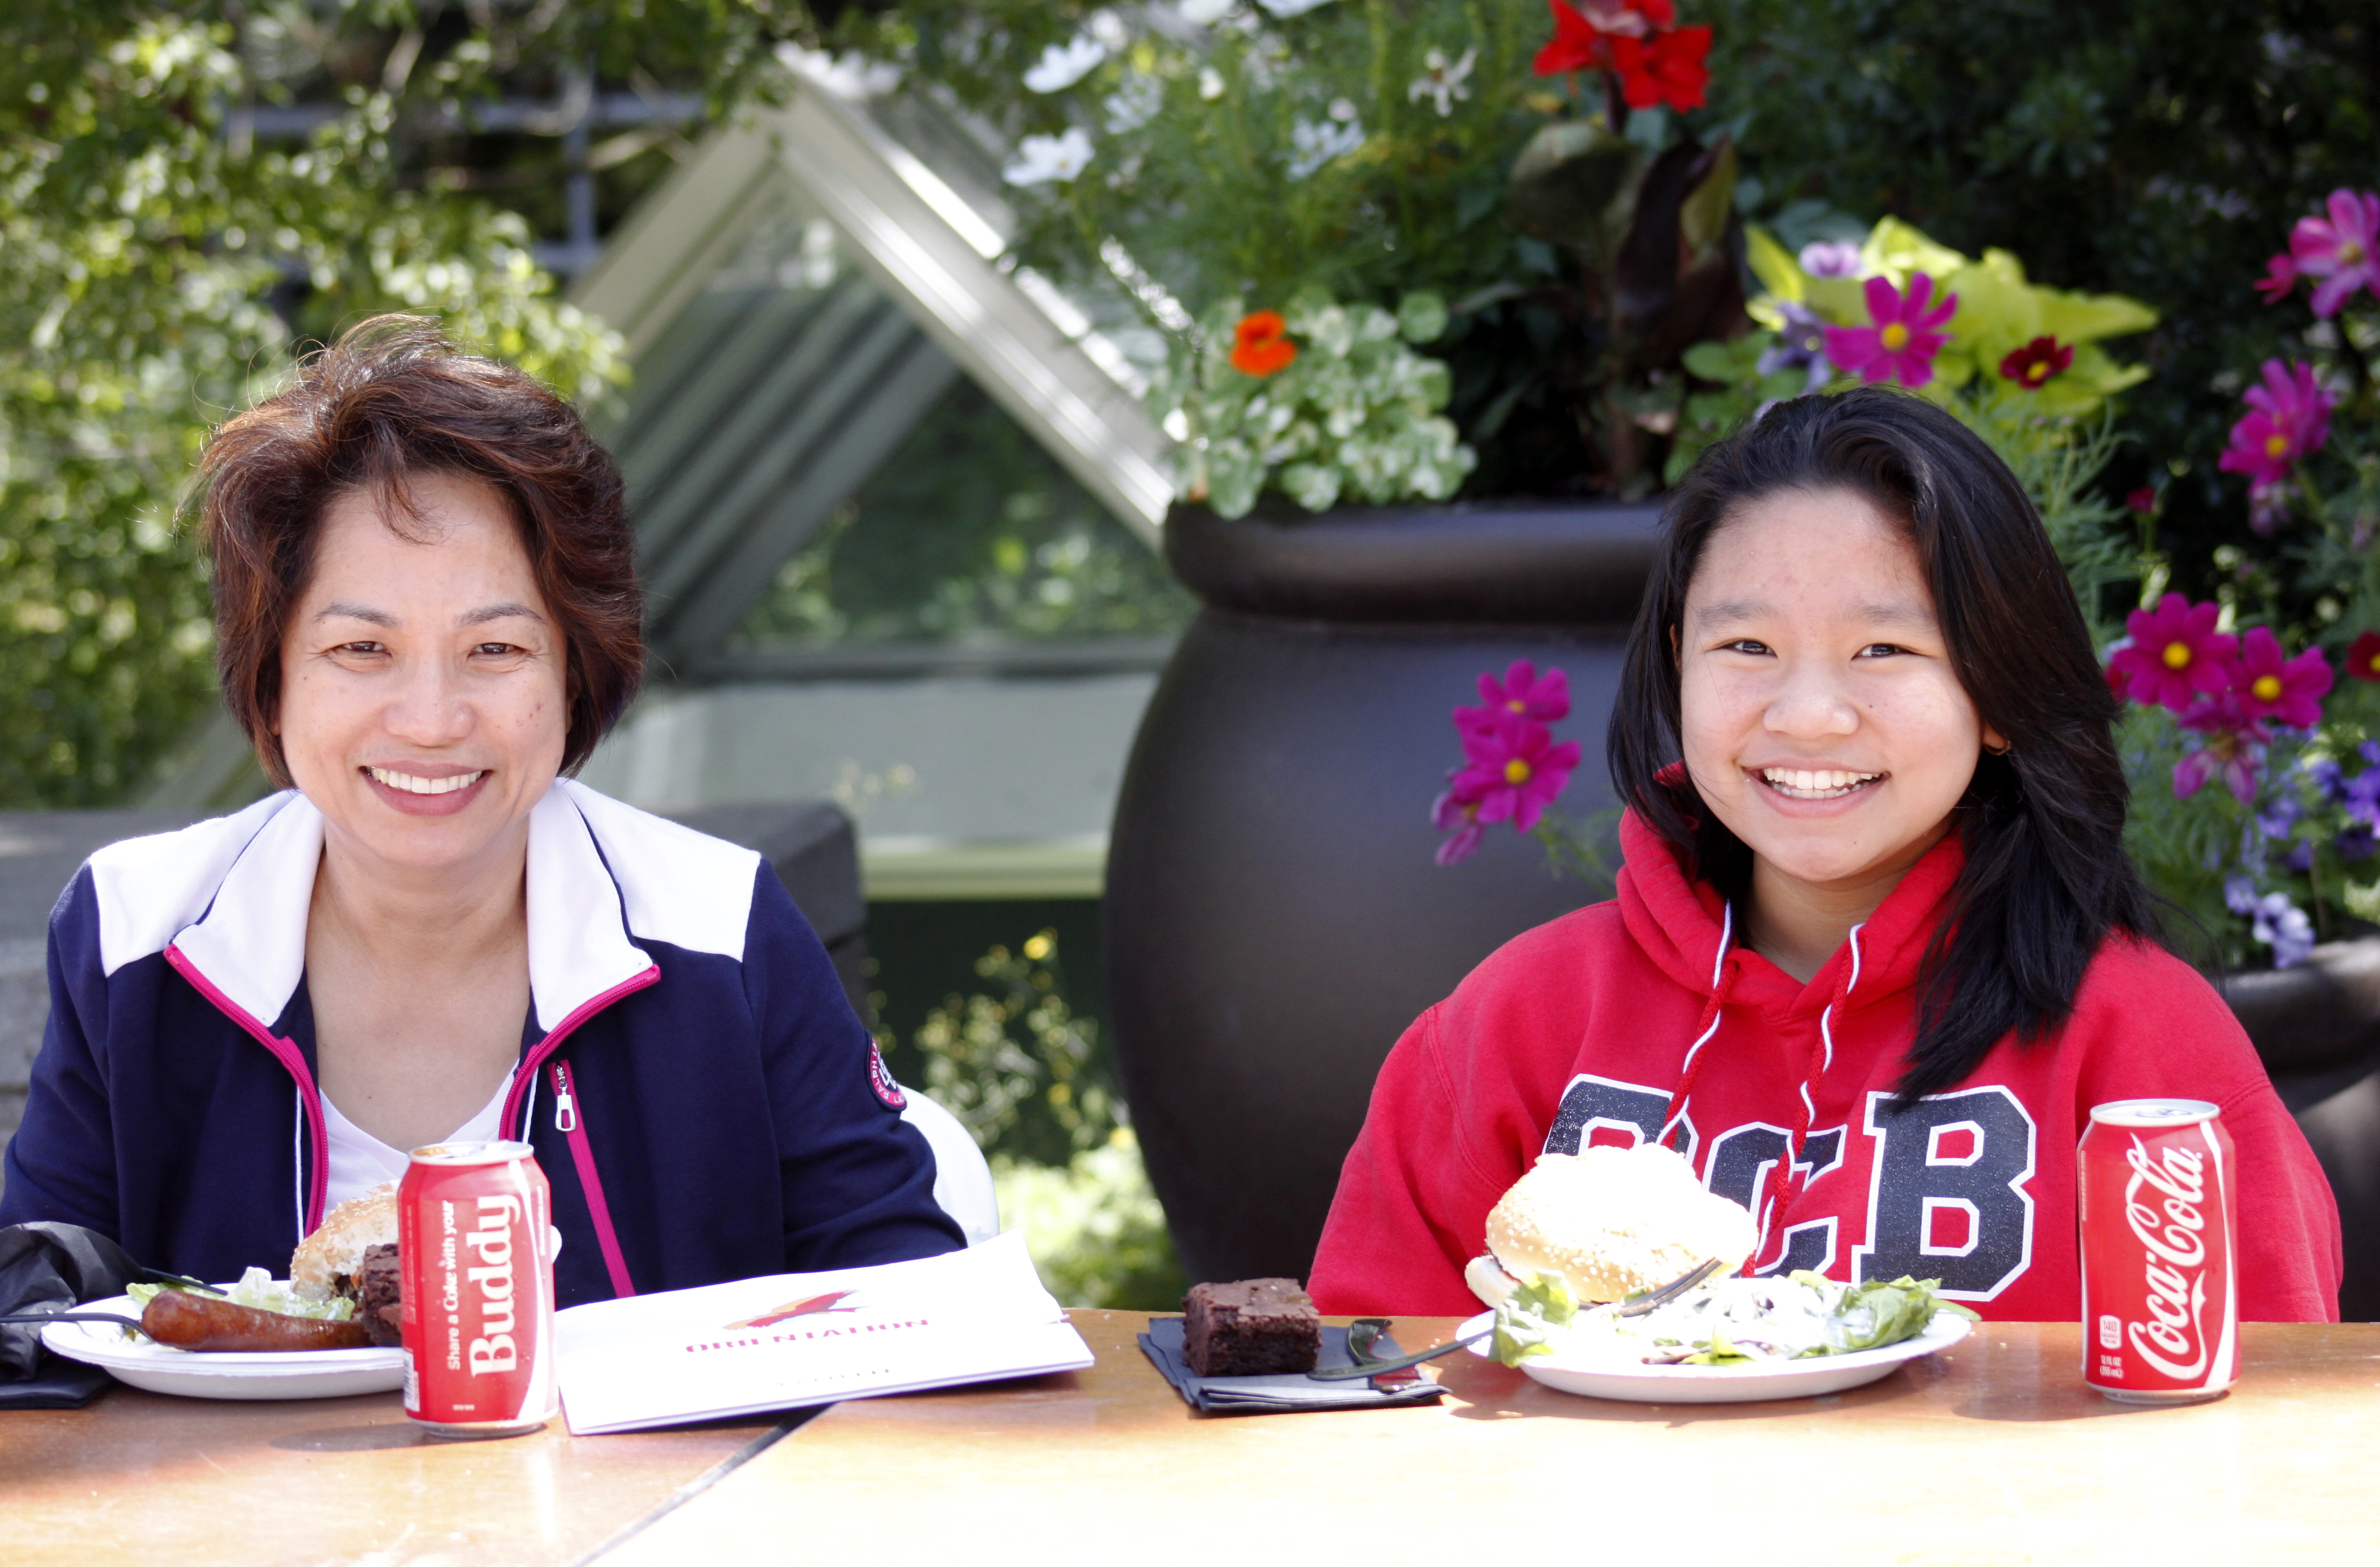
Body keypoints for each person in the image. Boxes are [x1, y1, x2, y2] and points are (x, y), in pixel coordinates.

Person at [1311, 387, 2342, 1322]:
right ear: (1677, 661)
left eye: (1885, 650)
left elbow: (2265, 1436)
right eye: (1746, 647)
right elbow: (1375, 1399)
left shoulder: (2145, 1048)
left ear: (1997, 692)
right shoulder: (1516, 1024)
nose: (1806, 716)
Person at [0, 316, 965, 1306]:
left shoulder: (720, 928)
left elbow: (913, 1300)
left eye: (495, 650)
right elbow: (38, 1316)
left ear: (572, 670)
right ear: (275, 678)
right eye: (361, 651)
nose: (430, 721)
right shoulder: (135, 934)